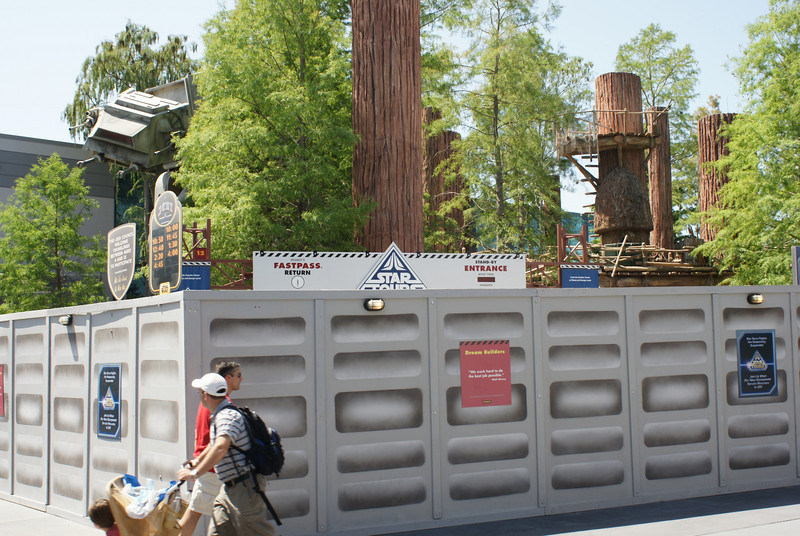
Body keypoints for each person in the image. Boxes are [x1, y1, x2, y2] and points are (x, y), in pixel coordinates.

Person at [178, 372, 275, 536]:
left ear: (205, 395)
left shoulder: (227, 416)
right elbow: (213, 444)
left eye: (199, 392)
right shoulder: (219, 414)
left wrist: (195, 473)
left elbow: (221, 447)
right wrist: (197, 462)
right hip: (228, 489)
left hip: (245, 489)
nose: (199, 396)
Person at [179, 362, 243, 536]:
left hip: (207, 467)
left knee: (213, 514)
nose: (241, 379)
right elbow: (217, 444)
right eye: (238, 375)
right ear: (227, 378)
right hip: (213, 469)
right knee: (195, 513)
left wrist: (197, 460)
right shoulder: (224, 407)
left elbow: (199, 434)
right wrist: (198, 468)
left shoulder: (207, 404)